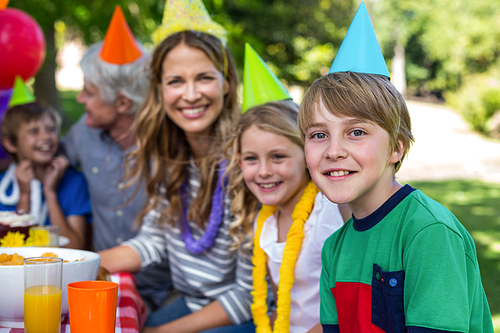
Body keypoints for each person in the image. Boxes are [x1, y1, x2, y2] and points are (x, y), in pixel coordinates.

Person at [298, 3, 494, 332]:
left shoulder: (427, 232)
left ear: (397, 148)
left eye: (356, 132)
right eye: (318, 134)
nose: (333, 150)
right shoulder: (335, 248)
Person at [99, 1, 254, 332]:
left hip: (244, 315)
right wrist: (76, 264)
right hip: (191, 303)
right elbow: (154, 241)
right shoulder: (172, 159)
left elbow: (249, 295)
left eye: (204, 78)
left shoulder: (249, 165)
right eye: (176, 81)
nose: (192, 94)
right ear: (159, 89)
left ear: (227, 83)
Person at [224, 44, 348, 333]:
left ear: (306, 156)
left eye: (278, 156)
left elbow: (347, 308)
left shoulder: (327, 214)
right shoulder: (265, 219)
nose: (264, 171)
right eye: (251, 159)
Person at [61, 6, 171, 311]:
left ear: (122, 102)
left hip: (166, 289)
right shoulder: (83, 133)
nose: (80, 99)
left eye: (89, 92)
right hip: (105, 280)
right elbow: (50, 161)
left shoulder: (170, 147)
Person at [0, 101, 91, 249]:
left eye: (51, 129)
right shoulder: (3, 187)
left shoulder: (74, 181)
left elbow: (74, 249)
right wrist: (24, 195)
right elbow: (14, 250)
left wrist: (50, 193)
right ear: (11, 143)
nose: (46, 136)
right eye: (34, 131)